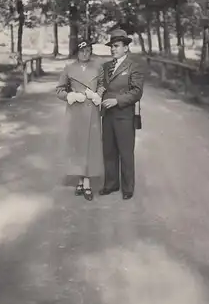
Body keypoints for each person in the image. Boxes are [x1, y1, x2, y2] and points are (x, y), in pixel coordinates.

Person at [56, 38, 105, 201]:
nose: (86, 53)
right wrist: (70, 95)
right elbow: (59, 90)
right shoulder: (69, 68)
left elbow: (103, 84)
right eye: (83, 51)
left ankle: (87, 183)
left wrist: (98, 95)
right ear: (77, 52)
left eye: (89, 51)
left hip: (91, 111)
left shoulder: (97, 67)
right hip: (76, 110)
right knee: (77, 144)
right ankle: (79, 180)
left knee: (90, 145)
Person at [100, 29, 145, 200]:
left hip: (124, 115)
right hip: (107, 115)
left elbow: (137, 92)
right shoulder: (106, 67)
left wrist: (117, 100)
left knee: (125, 152)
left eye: (117, 46)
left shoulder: (134, 67)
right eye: (112, 46)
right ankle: (111, 184)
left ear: (126, 48)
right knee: (109, 151)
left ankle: (128, 188)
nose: (113, 49)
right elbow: (101, 87)